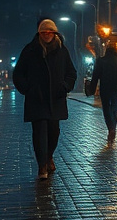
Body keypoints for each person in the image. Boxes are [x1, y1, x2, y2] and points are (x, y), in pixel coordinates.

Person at [12, 18, 77, 180]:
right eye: (43, 32)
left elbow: (71, 72)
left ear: (55, 33)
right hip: (37, 99)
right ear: (39, 33)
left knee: (54, 133)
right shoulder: (30, 50)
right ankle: (42, 166)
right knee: (39, 133)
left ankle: (48, 157)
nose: (47, 34)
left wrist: (65, 87)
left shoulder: (62, 50)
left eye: (50, 31)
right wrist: (28, 89)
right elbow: (18, 73)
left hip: (56, 98)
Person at [86, 42, 117, 142]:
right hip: (116, 87)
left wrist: (92, 90)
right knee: (114, 107)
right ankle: (113, 128)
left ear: (106, 50)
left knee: (106, 108)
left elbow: (95, 77)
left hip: (105, 87)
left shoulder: (101, 61)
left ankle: (110, 128)